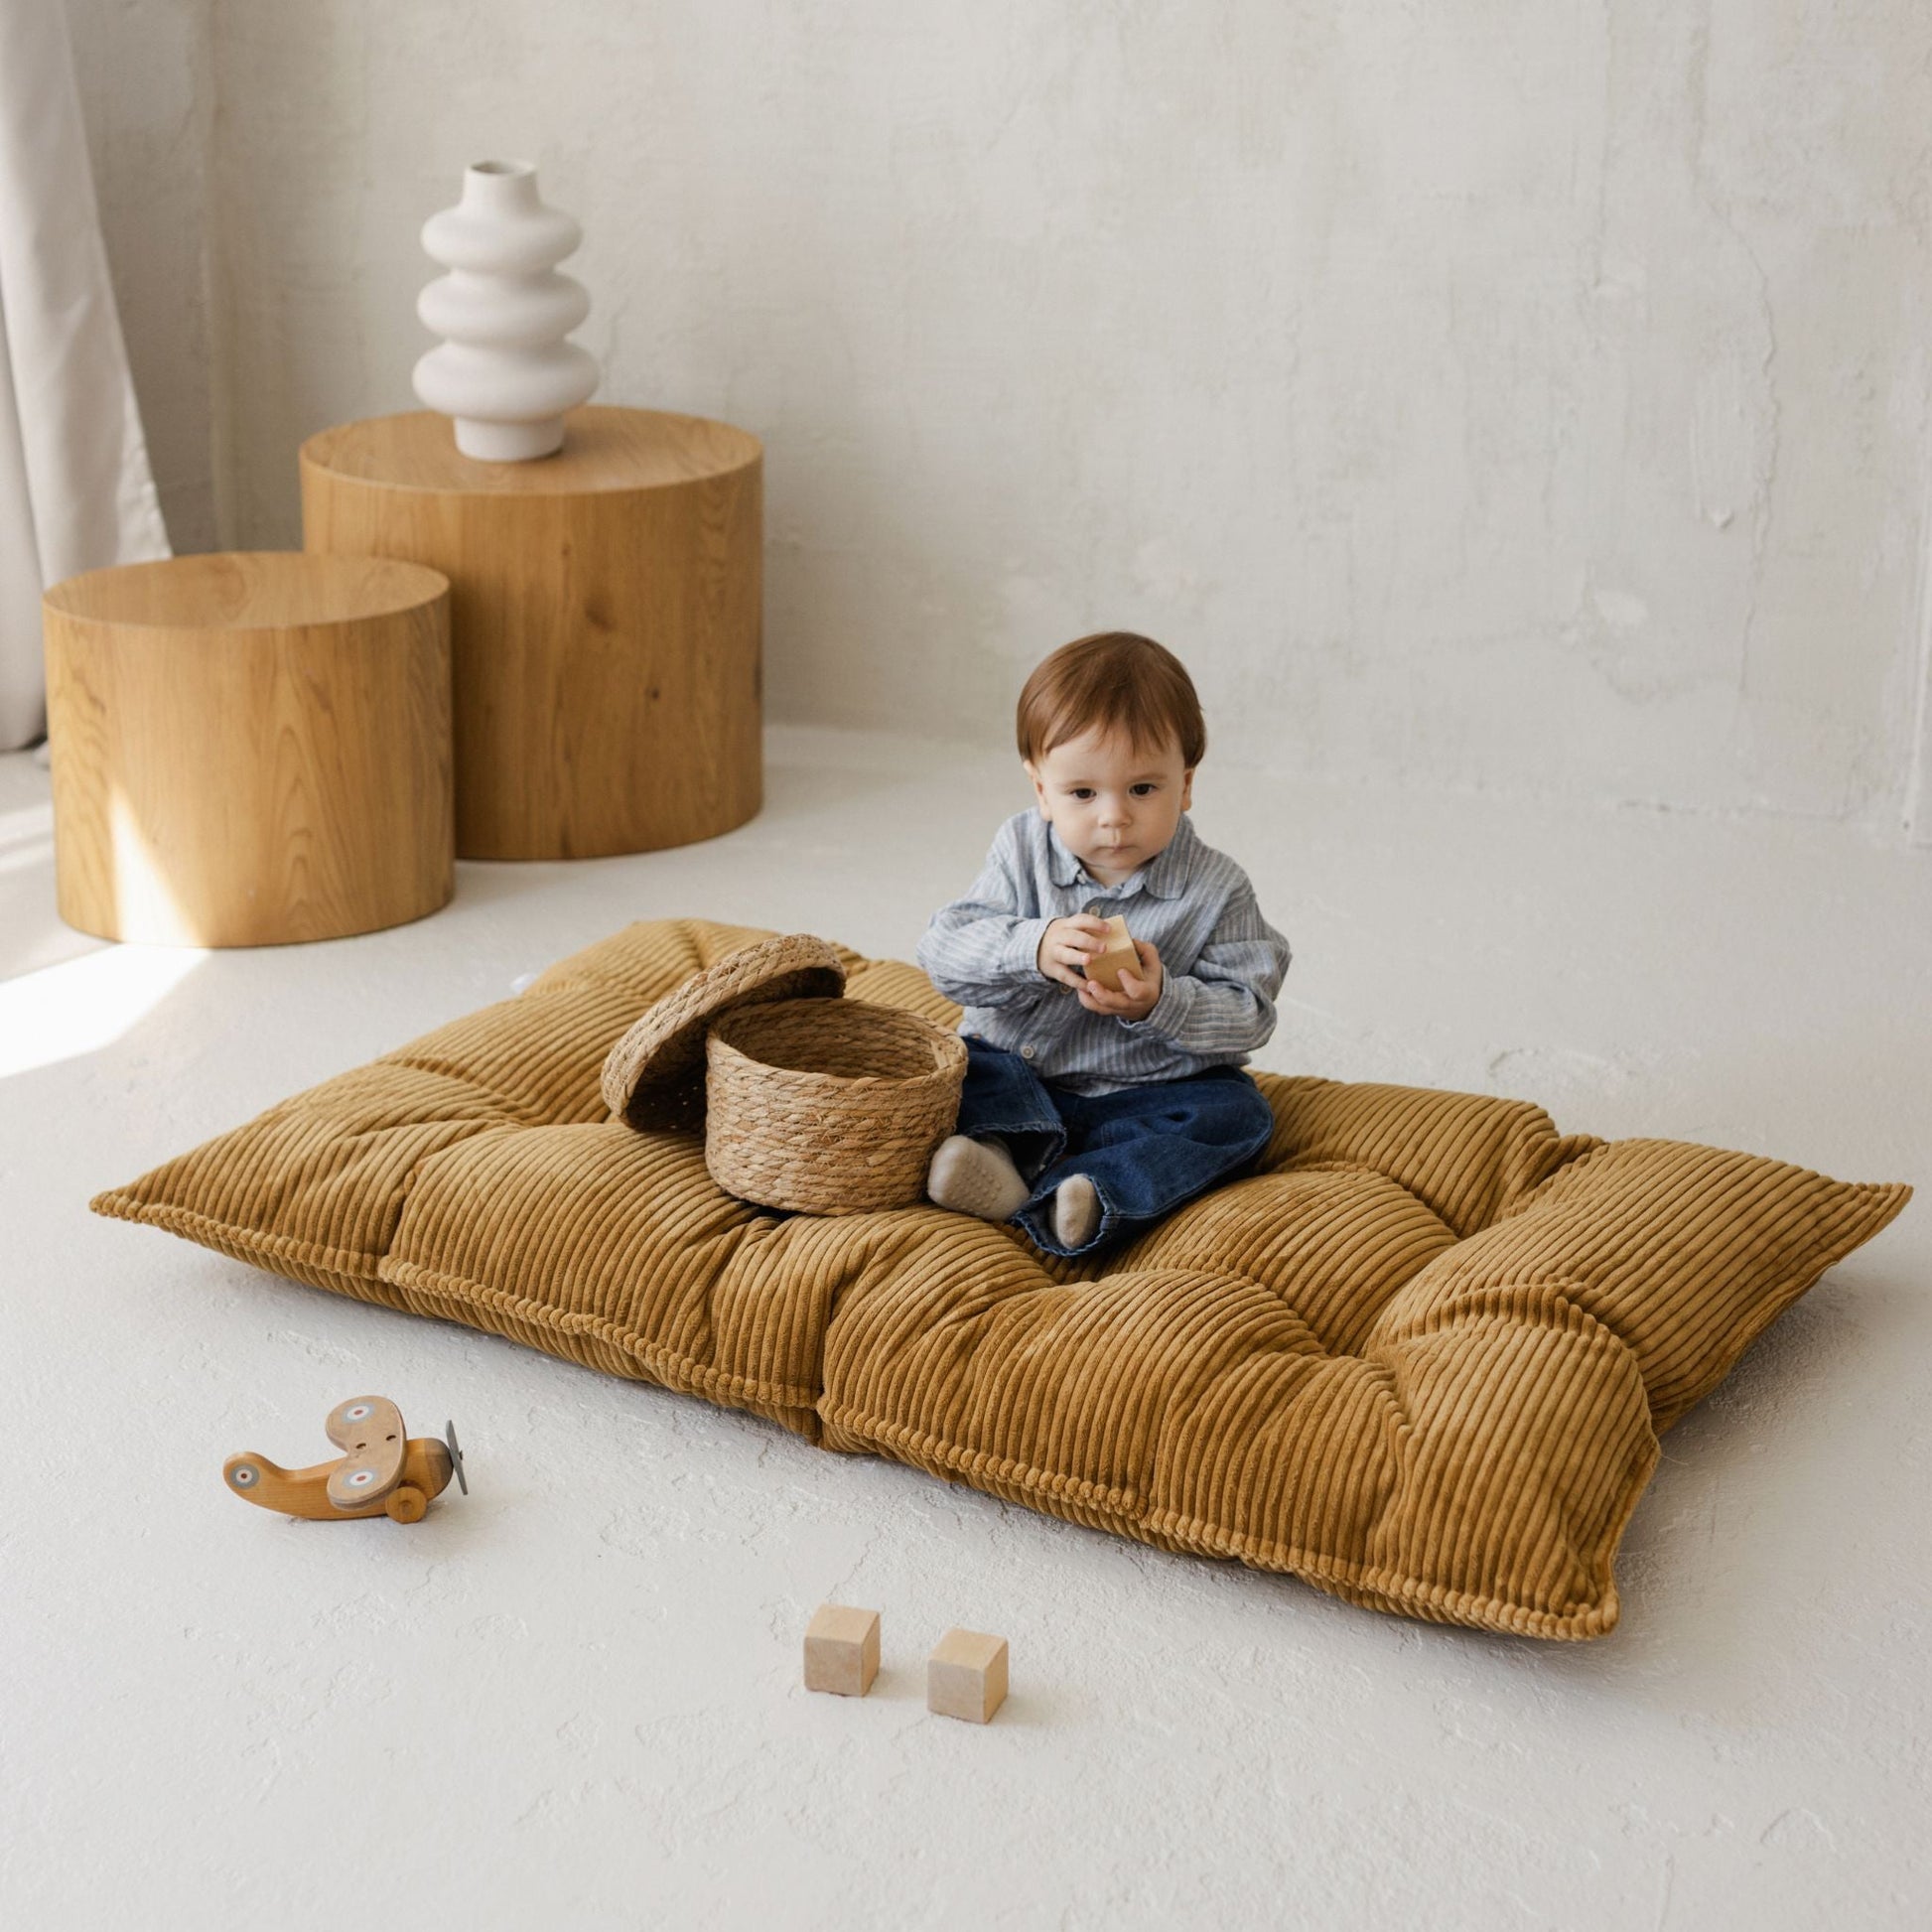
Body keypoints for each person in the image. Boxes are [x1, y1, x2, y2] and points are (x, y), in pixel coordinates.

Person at [915, 630, 1292, 1257]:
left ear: (1187, 784)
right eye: (1083, 794)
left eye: (1143, 789)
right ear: (1041, 790)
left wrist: (1161, 1001)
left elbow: (1251, 1013)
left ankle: (1088, 1190)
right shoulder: (1019, 850)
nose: (1113, 817)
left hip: (1148, 1090)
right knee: (953, 1068)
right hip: (1021, 1074)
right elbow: (944, 952)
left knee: (1240, 1117)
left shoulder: (1218, 887)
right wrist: (1030, 949)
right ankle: (993, 1157)